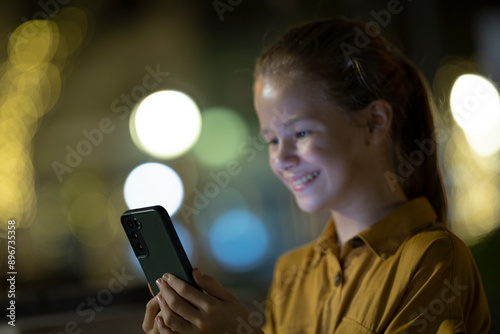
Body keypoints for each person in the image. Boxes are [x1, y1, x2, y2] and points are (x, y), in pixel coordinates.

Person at [142, 17, 491, 333]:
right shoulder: (292, 274)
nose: (282, 158)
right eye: (272, 140)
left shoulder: (432, 259)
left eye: (302, 133)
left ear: (375, 123)